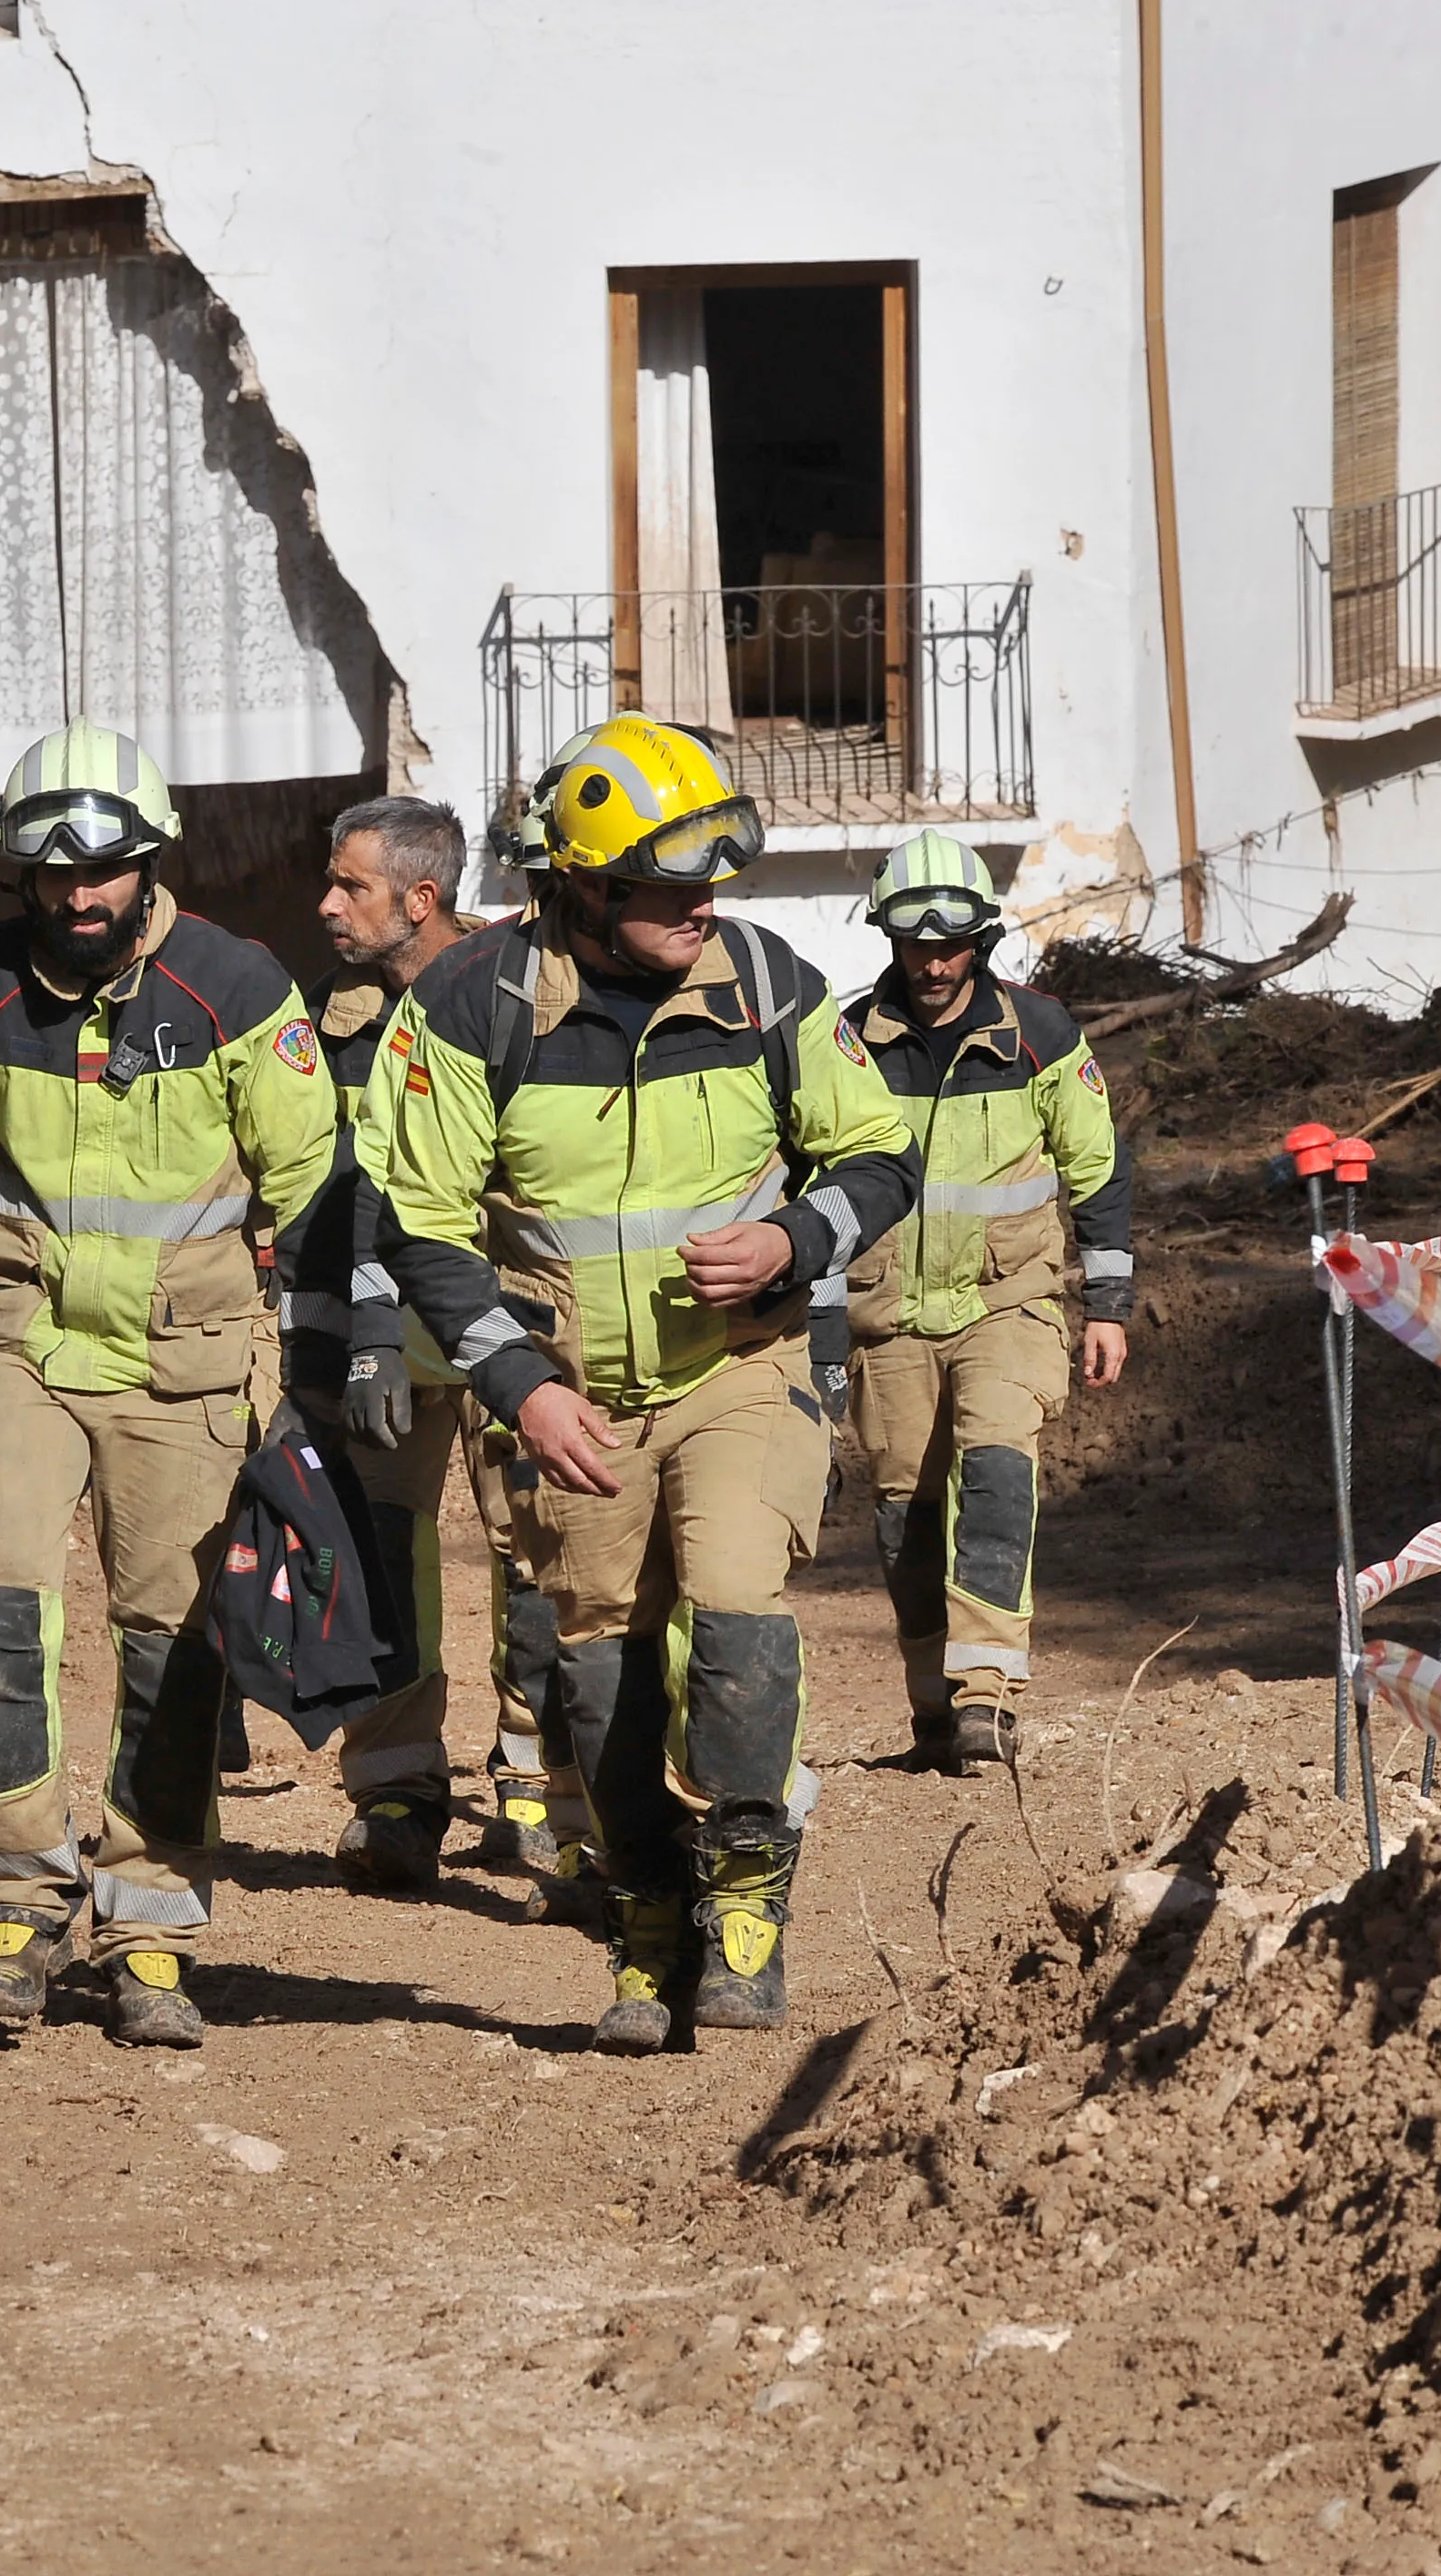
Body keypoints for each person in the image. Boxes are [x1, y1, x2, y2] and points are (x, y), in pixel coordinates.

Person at [378, 715, 917, 2052]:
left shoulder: (765, 984)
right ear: (581, 885)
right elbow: (416, 1215)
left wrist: (794, 1240)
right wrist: (517, 1383)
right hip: (564, 1396)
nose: (702, 906)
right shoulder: (467, 1006)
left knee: (732, 1607)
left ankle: (745, 1898)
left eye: (709, 880)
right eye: (668, 886)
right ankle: (646, 1928)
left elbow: (880, 1160)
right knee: (599, 1668)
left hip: (743, 1370)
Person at [0, 720, 342, 2050]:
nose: (77, 899)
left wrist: (330, 1374)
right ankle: (16, 1909)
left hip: (184, 1362)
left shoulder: (235, 988)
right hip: (14, 1337)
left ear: (147, 862)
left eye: (104, 872)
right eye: (51, 876)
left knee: (171, 1645)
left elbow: (308, 1190)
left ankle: (149, 1931)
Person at [310, 793, 580, 1897]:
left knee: (538, 1552)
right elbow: (342, 1187)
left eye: (350, 887)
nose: (325, 906)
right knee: (378, 1551)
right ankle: (395, 1793)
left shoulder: (521, 995)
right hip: (387, 1333)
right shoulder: (329, 1021)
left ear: (421, 900)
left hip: (512, 1318)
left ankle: (534, 1783)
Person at [837, 829, 1131, 1772]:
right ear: (887, 936)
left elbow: (1097, 1174)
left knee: (996, 1475)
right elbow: (807, 1184)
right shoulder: (844, 1044)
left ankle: (985, 1694)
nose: (932, 959)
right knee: (902, 1519)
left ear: (981, 939)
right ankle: (931, 1701)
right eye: (913, 940)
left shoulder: (1040, 1036)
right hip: (882, 1318)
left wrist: (1110, 1302)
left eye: (951, 940)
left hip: (1009, 1302)